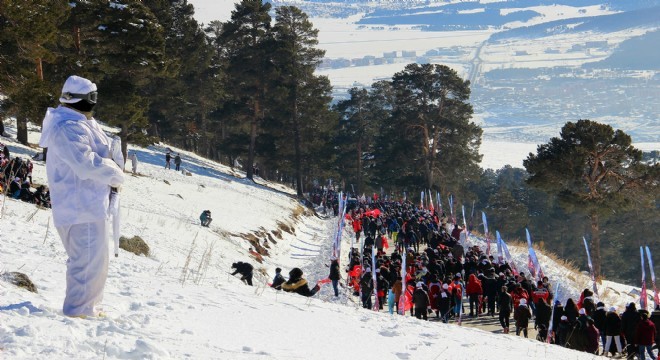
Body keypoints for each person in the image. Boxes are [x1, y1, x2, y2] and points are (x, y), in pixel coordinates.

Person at [39, 75, 125, 318]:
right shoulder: (68, 127)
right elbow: (85, 163)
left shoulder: (80, 122)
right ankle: (77, 312)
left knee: (96, 262)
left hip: (89, 206)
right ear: (86, 100)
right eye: (93, 98)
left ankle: (89, 306)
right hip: (78, 207)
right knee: (85, 262)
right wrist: (115, 174)